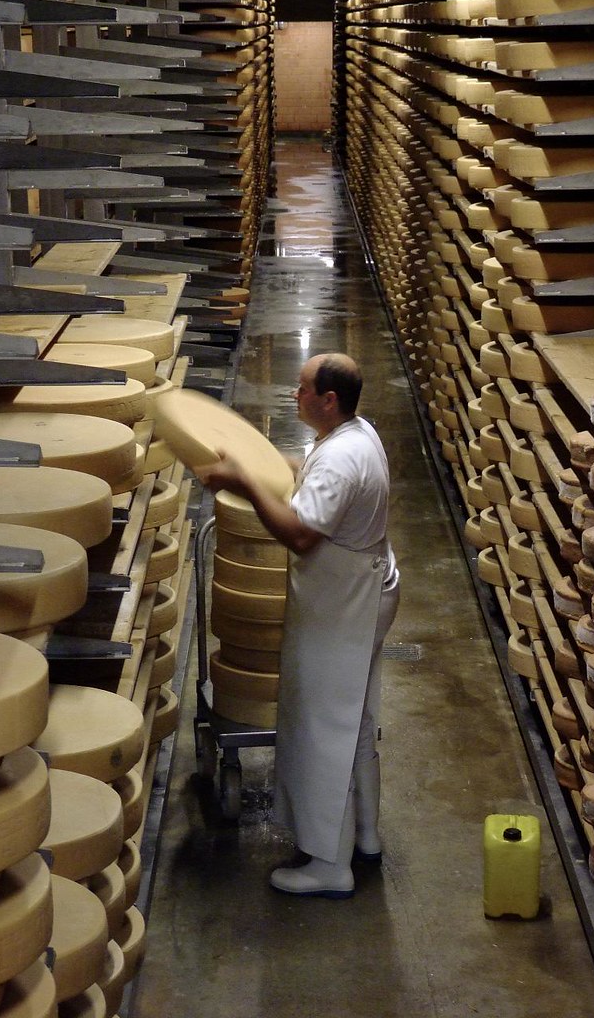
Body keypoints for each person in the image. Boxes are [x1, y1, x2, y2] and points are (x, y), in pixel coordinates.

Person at [196, 352, 400, 899]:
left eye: (302, 387)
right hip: (364, 589)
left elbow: (300, 534)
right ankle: (367, 837)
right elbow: (311, 473)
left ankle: (329, 865)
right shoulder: (356, 434)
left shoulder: (339, 459)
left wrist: (243, 483)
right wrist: (261, 463)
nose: (294, 394)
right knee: (354, 721)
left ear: (328, 400)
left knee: (320, 729)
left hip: (343, 606)